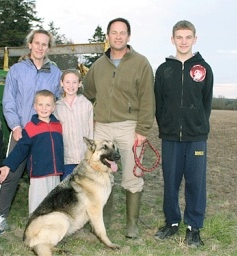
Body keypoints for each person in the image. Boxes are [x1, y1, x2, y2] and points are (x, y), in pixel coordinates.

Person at [83, 17, 155, 239]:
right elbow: (87, 94)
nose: (118, 36)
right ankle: (100, 221)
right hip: (102, 127)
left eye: (122, 32)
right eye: (113, 32)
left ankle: (131, 225)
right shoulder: (98, 65)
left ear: (129, 36)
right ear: (107, 36)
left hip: (129, 126)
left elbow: (147, 99)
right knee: (98, 176)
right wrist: (90, 118)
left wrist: (142, 129)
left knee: (133, 174)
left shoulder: (141, 63)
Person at [0, 29, 62, 235]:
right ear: (30, 44)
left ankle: (47, 217)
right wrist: (14, 125)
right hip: (22, 132)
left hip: (43, 134)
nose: (40, 47)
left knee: (43, 177)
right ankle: (1, 217)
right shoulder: (17, 70)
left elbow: (59, 100)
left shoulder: (55, 73)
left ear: (48, 48)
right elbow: (8, 100)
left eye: (44, 44)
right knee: (11, 173)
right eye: (37, 43)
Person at [154, 20, 213, 248]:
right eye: (179, 37)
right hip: (170, 137)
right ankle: (171, 222)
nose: (184, 41)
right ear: (172, 40)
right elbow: (159, 104)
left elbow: (206, 103)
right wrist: (167, 126)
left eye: (188, 37)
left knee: (196, 183)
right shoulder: (163, 69)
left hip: (196, 136)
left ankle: (194, 227)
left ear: (195, 39)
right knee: (170, 181)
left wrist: (196, 124)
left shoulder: (204, 68)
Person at [0, 90, 64, 215]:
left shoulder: (58, 126)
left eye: (48, 105)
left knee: (54, 203)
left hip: (55, 173)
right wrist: (8, 165)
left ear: (53, 107)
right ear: (35, 106)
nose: (44, 108)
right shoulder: (31, 127)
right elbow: (21, 149)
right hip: (39, 173)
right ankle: (35, 228)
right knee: (38, 205)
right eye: (40, 105)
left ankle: (51, 229)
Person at [53, 69, 94, 181]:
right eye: (67, 82)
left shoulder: (86, 105)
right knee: (67, 193)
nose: (71, 86)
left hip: (84, 159)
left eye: (74, 82)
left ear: (80, 83)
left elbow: (91, 131)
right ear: (61, 83)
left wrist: (91, 154)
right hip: (66, 159)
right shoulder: (56, 107)